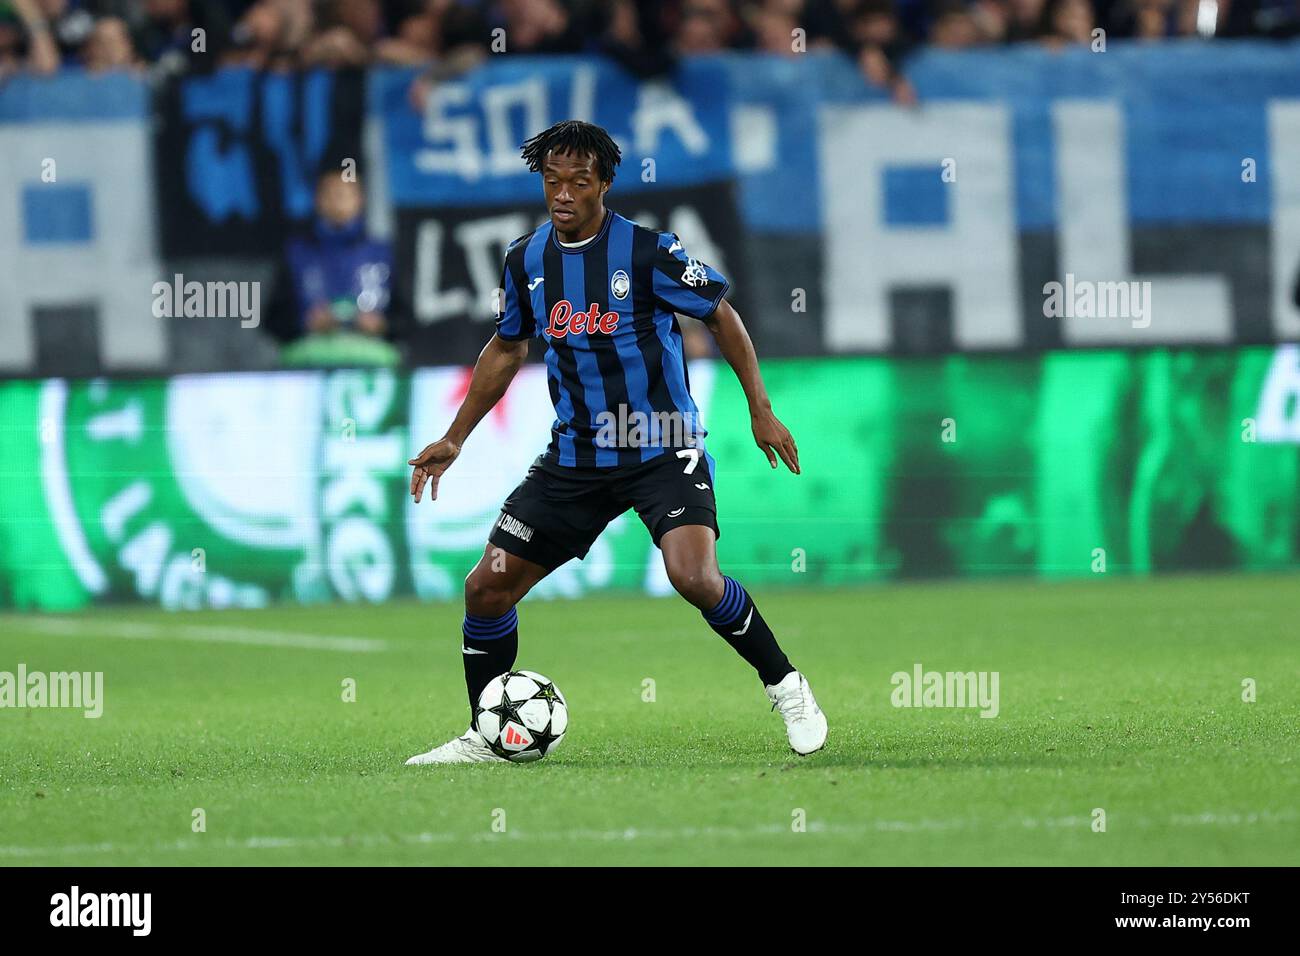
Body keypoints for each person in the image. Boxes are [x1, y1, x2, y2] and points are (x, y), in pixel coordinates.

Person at [405, 120, 827, 765]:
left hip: (662, 444)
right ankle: (485, 734)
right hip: (576, 456)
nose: (564, 193)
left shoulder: (650, 252)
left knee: (693, 575)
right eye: (553, 181)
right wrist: (455, 437)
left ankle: (786, 685)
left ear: (604, 183)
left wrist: (760, 410)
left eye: (579, 181)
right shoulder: (526, 259)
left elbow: (719, 312)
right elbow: (508, 347)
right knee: (486, 589)